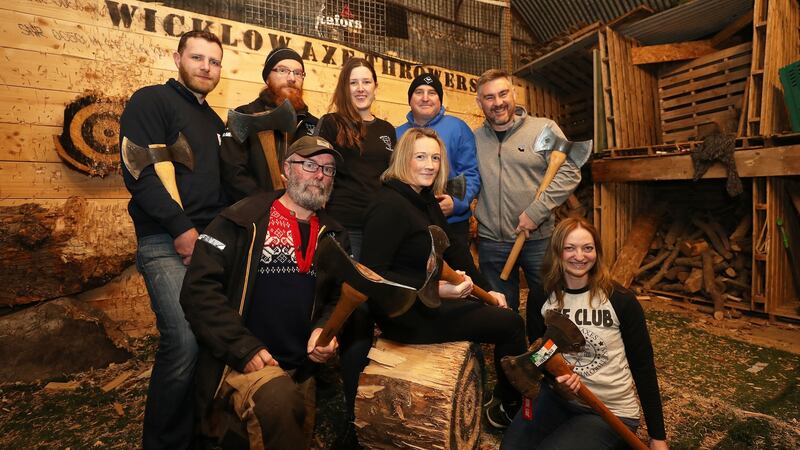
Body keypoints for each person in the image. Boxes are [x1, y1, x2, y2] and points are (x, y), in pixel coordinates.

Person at [180, 136, 347, 449]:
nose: (319, 175)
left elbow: (338, 297)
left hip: (300, 371)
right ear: (286, 168)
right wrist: (243, 348)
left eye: (328, 169)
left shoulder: (334, 235)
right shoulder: (241, 219)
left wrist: (324, 330)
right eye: (309, 165)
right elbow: (198, 289)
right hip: (241, 364)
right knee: (276, 401)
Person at [358, 127, 528, 431]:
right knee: (512, 326)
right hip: (404, 314)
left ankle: (505, 397)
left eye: (435, 158)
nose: (429, 165)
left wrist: (488, 290)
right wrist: (437, 289)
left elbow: (457, 253)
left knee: (505, 314)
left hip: (431, 301)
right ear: (403, 159)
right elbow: (375, 275)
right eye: (420, 156)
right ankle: (507, 405)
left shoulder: (426, 201)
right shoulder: (388, 206)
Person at [119, 30, 228, 449]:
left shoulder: (214, 121)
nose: (206, 67)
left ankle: (197, 435)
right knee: (182, 341)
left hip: (210, 242)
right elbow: (139, 173)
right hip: (166, 240)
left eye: (214, 62)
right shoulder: (151, 101)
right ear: (177, 58)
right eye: (198, 58)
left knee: (210, 341)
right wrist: (181, 228)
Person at [501, 217, 668, 450]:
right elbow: (540, 355)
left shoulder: (620, 300)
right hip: (557, 399)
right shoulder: (542, 295)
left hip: (608, 411)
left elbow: (643, 367)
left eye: (587, 248)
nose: (579, 256)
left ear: (597, 252)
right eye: (570, 248)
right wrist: (557, 382)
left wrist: (657, 436)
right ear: (557, 252)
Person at [473, 69, 581, 312]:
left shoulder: (543, 129)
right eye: (489, 97)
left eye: (503, 94)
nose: (498, 102)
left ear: (513, 93)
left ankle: (542, 349)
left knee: (547, 307)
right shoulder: (475, 139)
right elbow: (467, 179)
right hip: (492, 241)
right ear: (480, 102)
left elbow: (571, 170)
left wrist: (536, 212)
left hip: (538, 239)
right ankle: (509, 350)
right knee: (500, 310)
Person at [316, 57, 396, 260]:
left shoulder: (387, 129)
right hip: (345, 224)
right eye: (353, 83)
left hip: (380, 226)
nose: (361, 88)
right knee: (347, 290)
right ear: (345, 87)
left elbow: (392, 178)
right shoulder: (331, 123)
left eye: (366, 82)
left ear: (375, 87)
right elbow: (318, 170)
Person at [220, 46, 318, 202]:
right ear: (267, 78)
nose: (292, 78)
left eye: (298, 73)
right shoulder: (244, 115)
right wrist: (270, 204)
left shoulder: (313, 124)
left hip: (301, 214)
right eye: (282, 70)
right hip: (254, 215)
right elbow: (233, 172)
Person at [396, 73, 480, 249]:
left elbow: (471, 173)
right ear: (410, 99)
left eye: (432, 92)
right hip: (408, 223)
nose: (425, 98)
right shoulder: (397, 134)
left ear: (440, 100)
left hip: (451, 222)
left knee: (456, 274)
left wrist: (456, 203)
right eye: (419, 92)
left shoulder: (458, 127)